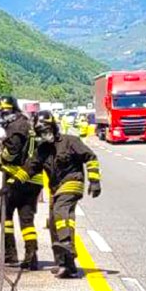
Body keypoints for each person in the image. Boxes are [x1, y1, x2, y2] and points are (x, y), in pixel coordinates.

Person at [31, 111, 101, 278]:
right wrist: (11, 185)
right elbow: (30, 168)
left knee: (61, 210)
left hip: (73, 182)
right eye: (40, 132)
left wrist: (94, 180)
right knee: (54, 224)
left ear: (53, 126)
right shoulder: (42, 150)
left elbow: (90, 157)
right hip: (55, 189)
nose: (44, 134)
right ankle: (67, 265)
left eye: (46, 129)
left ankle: (67, 244)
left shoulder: (71, 142)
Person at [0, 95, 44, 269]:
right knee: (26, 219)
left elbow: (13, 152)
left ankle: (11, 255)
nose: (2, 115)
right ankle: (32, 256)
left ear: (12, 111)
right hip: (33, 179)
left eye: (4, 112)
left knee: (5, 215)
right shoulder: (26, 123)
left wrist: (1, 157)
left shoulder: (15, 127)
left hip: (17, 179)